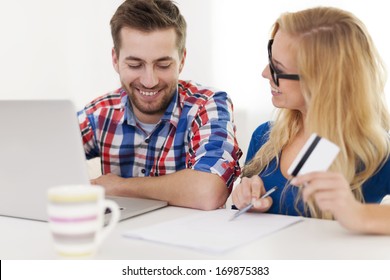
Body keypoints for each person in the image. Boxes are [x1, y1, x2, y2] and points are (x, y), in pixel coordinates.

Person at [232, 6, 390, 234]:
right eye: (270, 60)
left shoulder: (377, 152)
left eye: (278, 68)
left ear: (321, 82)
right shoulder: (265, 139)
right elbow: (241, 216)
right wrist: (245, 197)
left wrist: (357, 214)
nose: (265, 73)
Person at [78, 0, 242, 210]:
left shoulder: (207, 105)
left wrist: (120, 187)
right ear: (115, 59)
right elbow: (37, 155)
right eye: (135, 65)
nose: (149, 80)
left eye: (163, 65)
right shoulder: (99, 113)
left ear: (181, 60)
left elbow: (209, 191)